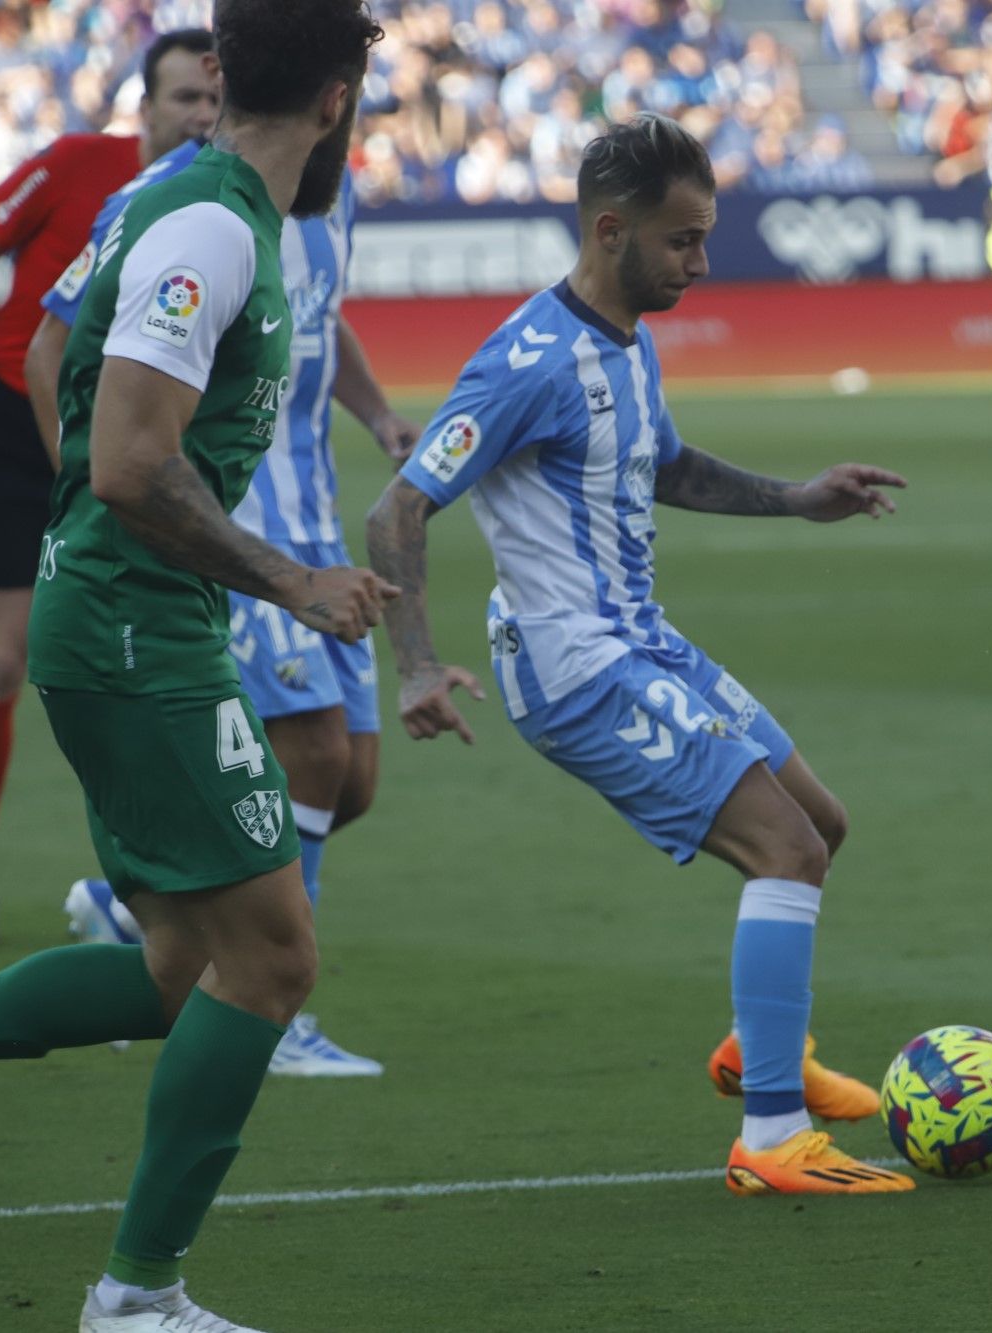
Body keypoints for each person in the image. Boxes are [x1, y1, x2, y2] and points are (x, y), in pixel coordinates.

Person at [0, 3, 394, 1328]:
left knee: (175, 972)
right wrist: (289, 580)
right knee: (273, 962)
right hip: (134, 633)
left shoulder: (193, 207)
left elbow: (47, 351)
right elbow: (125, 460)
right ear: (337, 105)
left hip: (129, 614)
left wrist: (94, 544)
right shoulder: (216, 228)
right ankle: (137, 1296)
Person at [364, 113, 915, 1197]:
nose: (700, 264)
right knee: (785, 852)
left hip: (639, 639)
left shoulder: (625, 334)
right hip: (576, 669)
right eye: (681, 242)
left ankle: (759, 1053)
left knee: (823, 826)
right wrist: (416, 664)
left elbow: (659, 463)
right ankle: (768, 1137)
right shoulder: (528, 360)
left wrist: (798, 500)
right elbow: (395, 511)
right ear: (609, 229)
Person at [41, 158, 422, 1080]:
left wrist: (376, 416)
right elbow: (49, 344)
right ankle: (272, 1005)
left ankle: (130, 910)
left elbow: (319, 318)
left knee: (352, 779)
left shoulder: (331, 193)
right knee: (317, 754)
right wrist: (92, 485)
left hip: (313, 506)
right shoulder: (163, 199)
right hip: (227, 518)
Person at [0, 28, 220, 948]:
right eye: (184, 100)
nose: (202, 118)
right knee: (3, 661)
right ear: (143, 109)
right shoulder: (70, 165)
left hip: (123, 438)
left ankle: (152, 879)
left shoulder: (215, 203)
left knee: (138, 655)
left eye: (214, 102)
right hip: (10, 424)